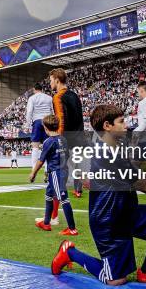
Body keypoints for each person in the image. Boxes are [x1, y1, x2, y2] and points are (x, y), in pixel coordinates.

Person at [51, 104, 146, 286]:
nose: (126, 125)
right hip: (108, 221)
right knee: (115, 280)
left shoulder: (116, 146)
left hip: (126, 212)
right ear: (107, 126)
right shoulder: (107, 152)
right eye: (121, 122)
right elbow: (138, 181)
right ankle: (70, 253)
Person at [29, 114, 78, 236]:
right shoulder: (63, 139)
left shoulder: (48, 142)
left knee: (63, 198)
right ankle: (46, 223)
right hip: (62, 171)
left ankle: (72, 229)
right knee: (49, 195)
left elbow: (41, 161)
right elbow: (67, 156)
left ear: (45, 128)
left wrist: (33, 173)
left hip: (56, 173)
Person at [50, 68, 85, 200]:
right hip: (79, 136)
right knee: (77, 165)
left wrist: (58, 139)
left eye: (51, 80)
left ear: (57, 80)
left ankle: (60, 192)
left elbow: (61, 121)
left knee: (61, 166)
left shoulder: (58, 97)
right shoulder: (74, 95)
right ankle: (78, 191)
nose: (50, 83)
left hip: (67, 137)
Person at [26, 82, 53, 172]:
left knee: (35, 146)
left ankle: (34, 168)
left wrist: (27, 125)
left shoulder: (32, 98)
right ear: (42, 89)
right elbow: (52, 111)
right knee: (47, 145)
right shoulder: (49, 98)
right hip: (47, 121)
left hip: (37, 121)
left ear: (34, 89)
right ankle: (47, 167)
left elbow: (29, 112)